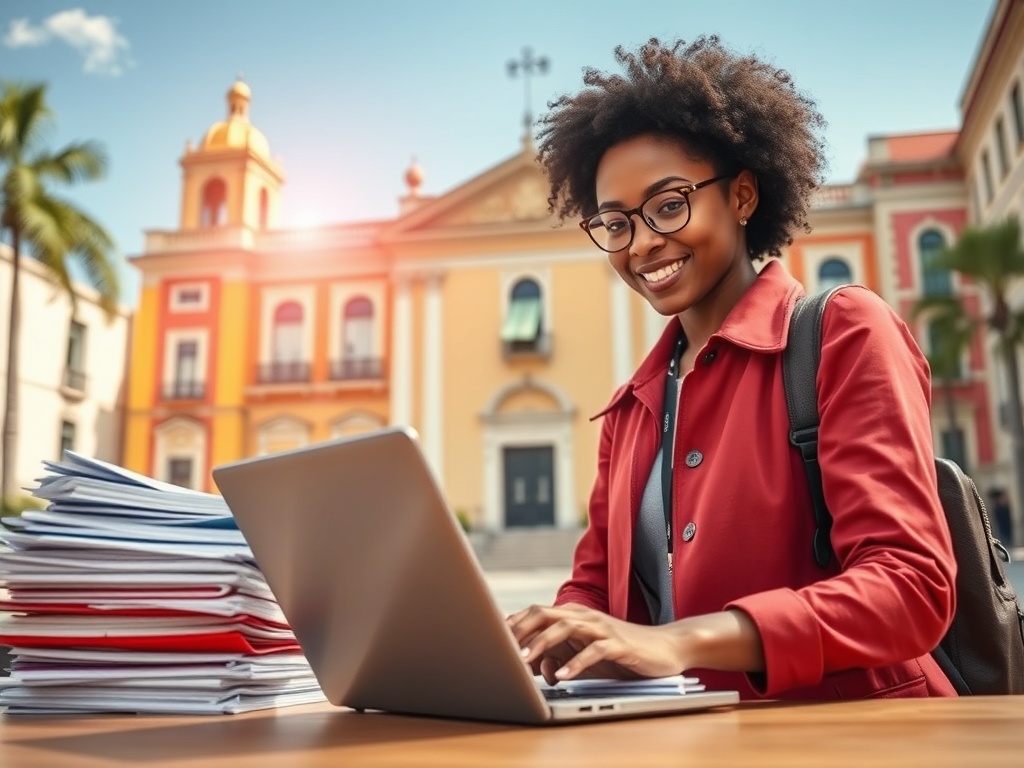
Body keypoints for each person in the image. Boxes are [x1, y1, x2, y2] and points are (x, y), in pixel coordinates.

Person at [507, 37, 957, 700]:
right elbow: (596, 591)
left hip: (858, 740)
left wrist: (681, 639)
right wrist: (545, 637)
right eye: (615, 223)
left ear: (743, 196)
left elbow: (911, 584)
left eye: (668, 205)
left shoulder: (844, 332)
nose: (643, 244)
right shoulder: (631, 407)